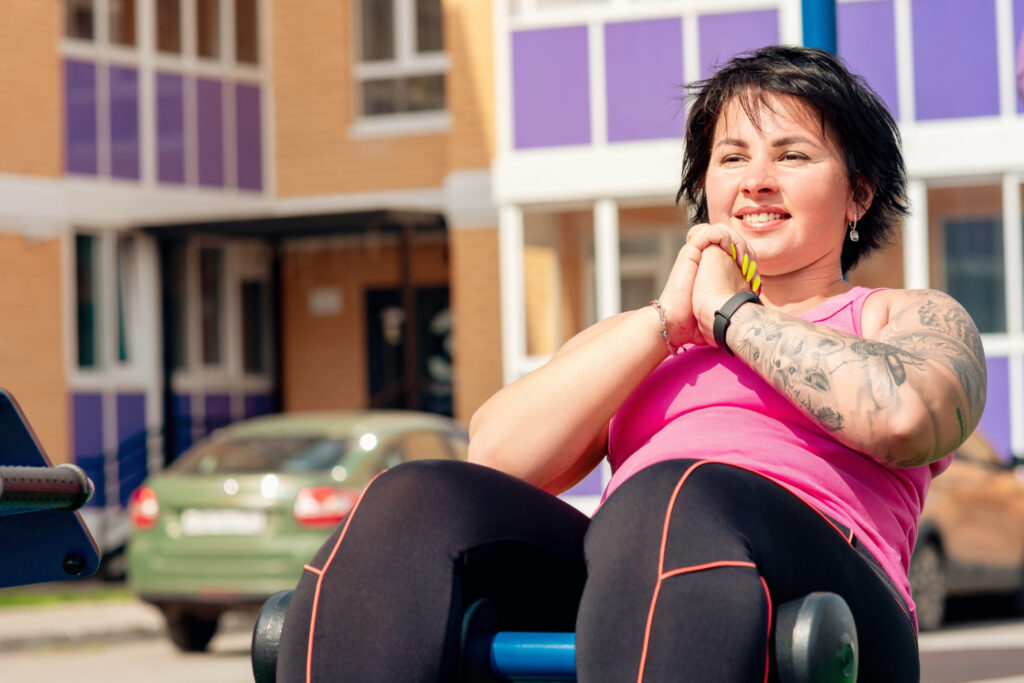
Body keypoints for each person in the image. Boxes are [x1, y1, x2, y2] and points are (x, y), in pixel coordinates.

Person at [276, 46, 986, 683]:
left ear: (859, 194)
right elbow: (495, 455)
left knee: (672, 495)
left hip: (830, 593)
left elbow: (907, 415)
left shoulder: (902, 314)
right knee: (412, 499)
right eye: (732, 158)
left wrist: (733, 316)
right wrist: (666, 322)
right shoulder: (649, 338)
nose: (757, 181)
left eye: (792, 156)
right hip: (641, 583)